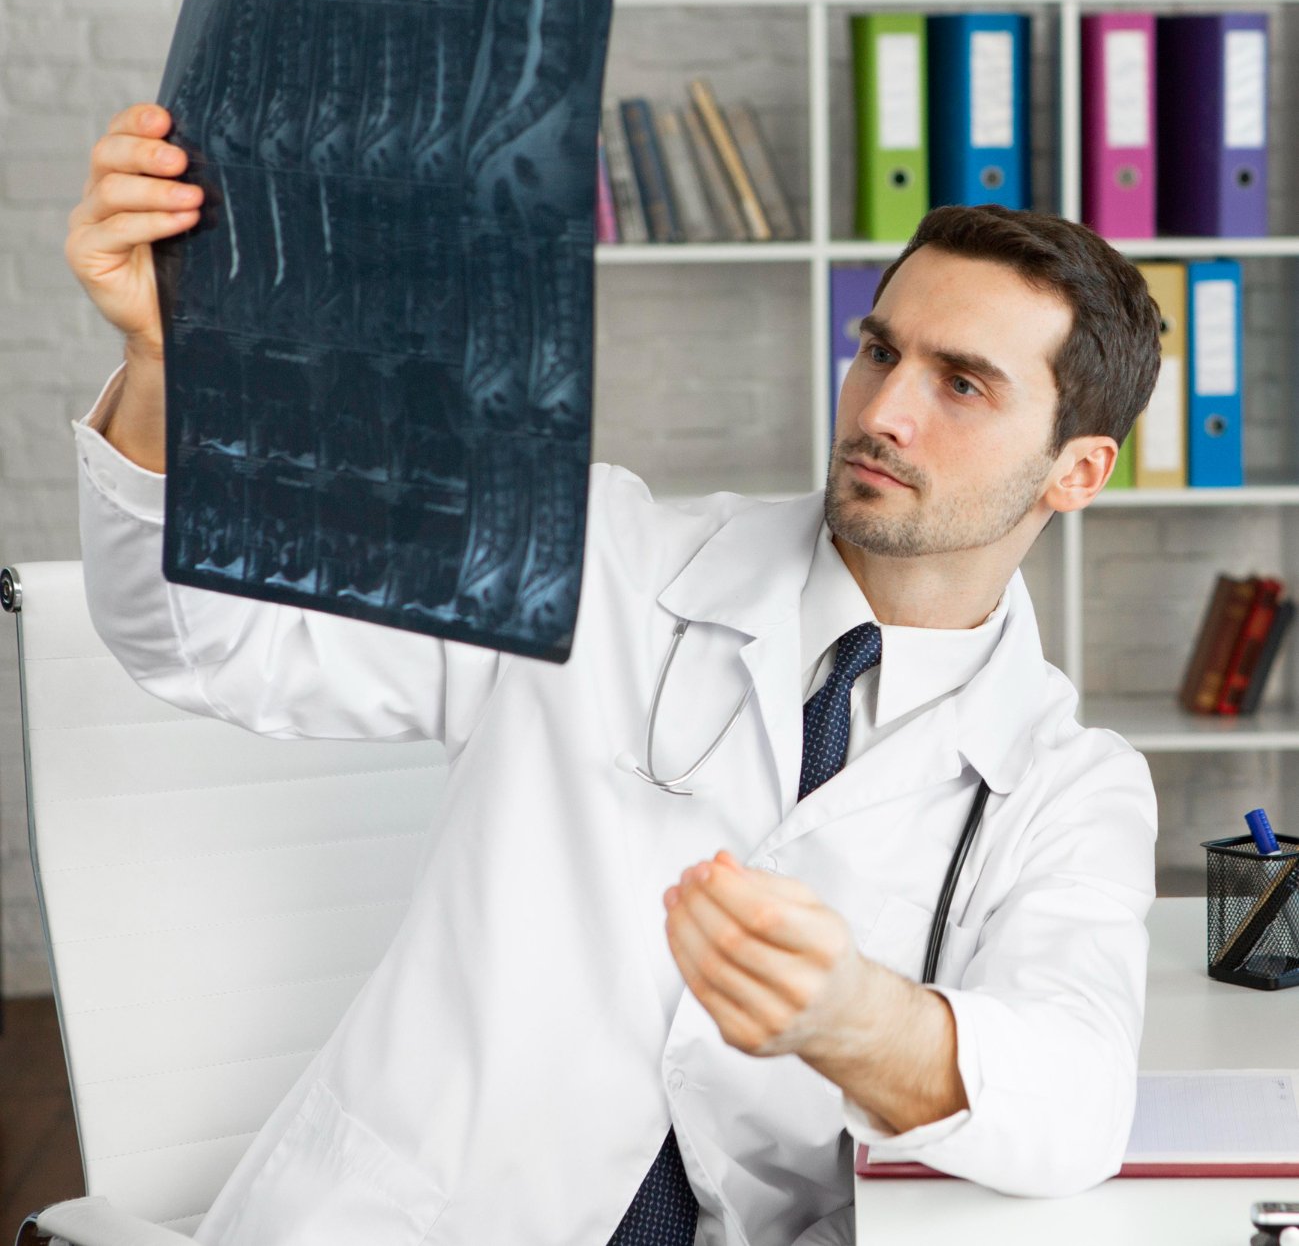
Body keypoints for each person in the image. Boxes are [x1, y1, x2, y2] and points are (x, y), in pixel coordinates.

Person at [65, 103, 1162, 1246]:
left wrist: (855, 1020)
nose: (883, 411)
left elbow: (1073, 1106)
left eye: (963, 384)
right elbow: (209, 640)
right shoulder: (591, 559)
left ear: (1078, 471)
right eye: (881, 351)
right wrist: (165, 362)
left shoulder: (1067, 784)